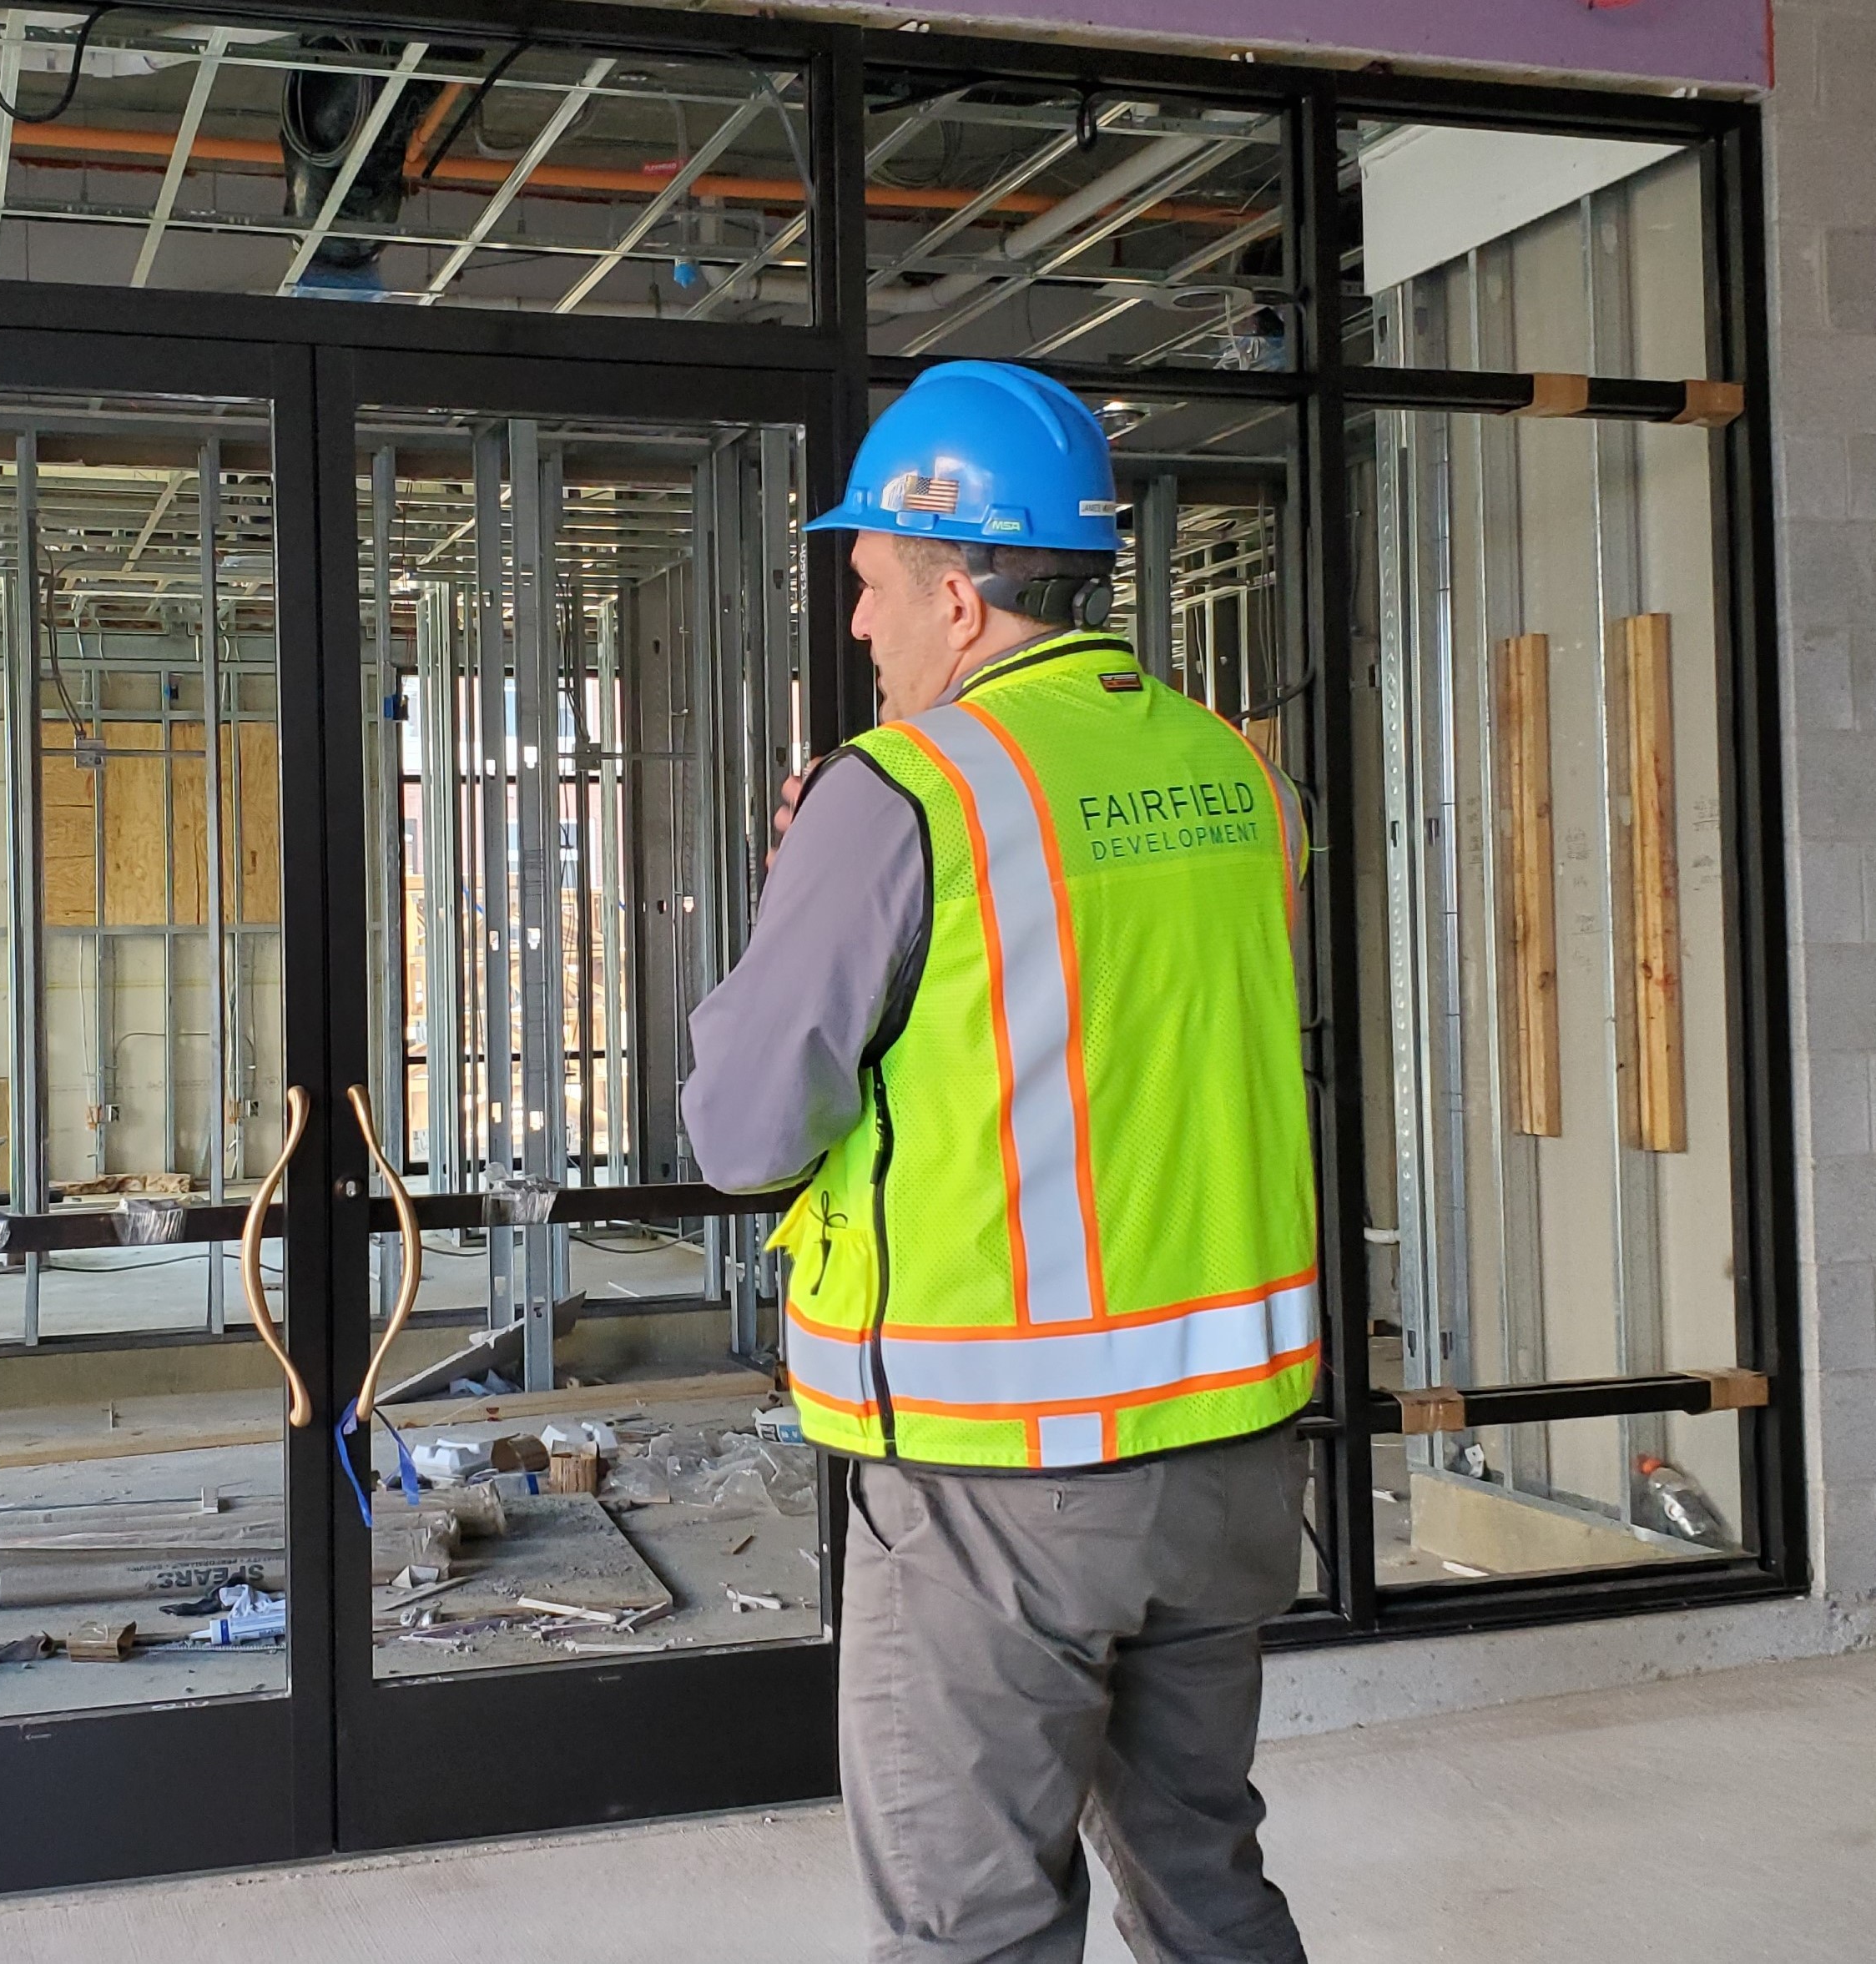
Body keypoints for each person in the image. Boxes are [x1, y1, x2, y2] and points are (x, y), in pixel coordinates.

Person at [681, 360, 1318, 1964]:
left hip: (996, 1474)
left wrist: (816, 893)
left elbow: (745, 1133)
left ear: (959, 597)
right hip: (1230, 1453)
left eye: (872, 581)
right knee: (1204, 1882)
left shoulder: (901, 792)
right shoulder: (1244, 779)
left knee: (971, 1924)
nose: (859, 623)